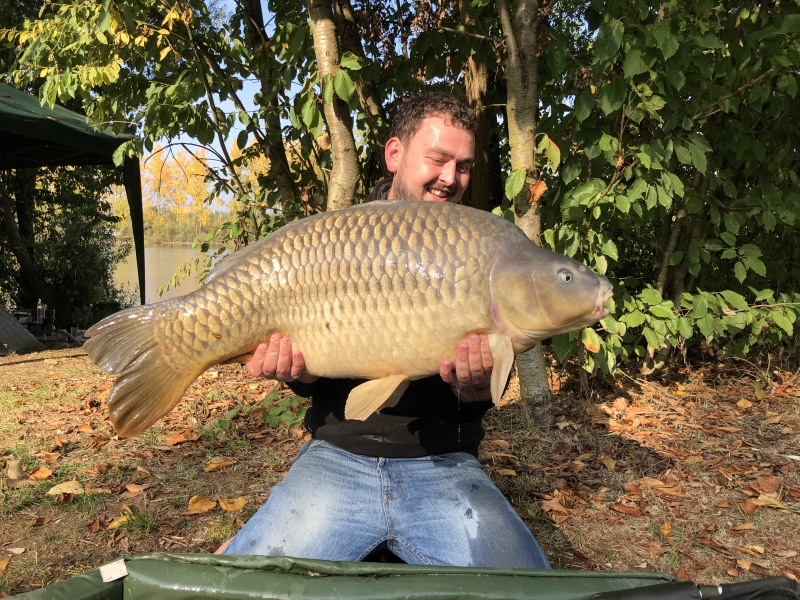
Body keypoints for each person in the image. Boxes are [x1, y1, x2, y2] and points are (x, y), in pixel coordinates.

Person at [217, 93, 550, 569]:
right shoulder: (345, 236)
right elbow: (311, 375)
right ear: (395, 154)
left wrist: (475, 387)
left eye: (464, 166)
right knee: (245, 585)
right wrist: (294, 372)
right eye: (437, 159)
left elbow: (483, 395)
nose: (450, 178)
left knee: (526, 589)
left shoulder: (487, 247)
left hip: (445, 466)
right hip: (337, 458)